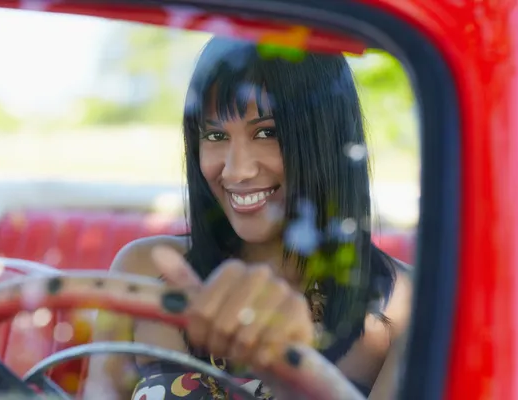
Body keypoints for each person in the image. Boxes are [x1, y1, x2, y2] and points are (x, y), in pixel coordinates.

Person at [83, 36, 413, 400]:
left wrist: (299, 375)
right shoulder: (142, 270)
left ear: (327, 139)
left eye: (266, 132)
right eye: (216, 134)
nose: (236, 170)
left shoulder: (404, 307)